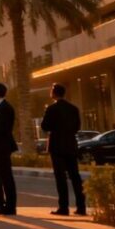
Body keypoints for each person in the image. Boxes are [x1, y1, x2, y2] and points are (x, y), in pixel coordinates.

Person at [40, 83, 86, 216]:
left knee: (60, 178)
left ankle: (64, 207)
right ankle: (81, 207)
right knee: (75, 177)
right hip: (71, 145)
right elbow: (77, 127)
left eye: (51, 90)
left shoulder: (51, 109)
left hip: (57, 146)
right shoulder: (73, 108)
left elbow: (45, 126)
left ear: (54, 93)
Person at [0, 82, 18, 215]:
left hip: (2, 146)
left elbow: (2, 129)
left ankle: (10, 205)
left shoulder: (6, 108)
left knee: (6, 176)